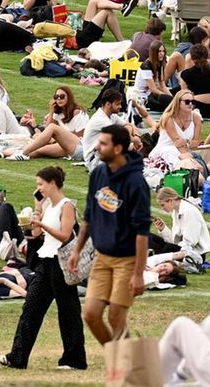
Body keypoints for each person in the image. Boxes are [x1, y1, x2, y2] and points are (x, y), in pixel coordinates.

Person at [0, 166, 87, 371]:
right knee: (30, 309)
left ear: (53, 182)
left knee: (68, 311)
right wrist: (36, 211)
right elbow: (35, 233)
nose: (39, 188)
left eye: (41, 184)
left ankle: (74, 359)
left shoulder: (66, 205)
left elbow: (65, 235)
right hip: (44, 261)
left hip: (60, 263)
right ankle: (17, 357)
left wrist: (43, 225)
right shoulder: (47, 205)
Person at [69, 124, 150, 346]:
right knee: (91, 315)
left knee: (115, 316)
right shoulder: (98, 173)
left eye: (103, 143)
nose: (97, 147)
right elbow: (88, 217)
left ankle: (127, 367)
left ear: (118, 148)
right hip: (102, 257)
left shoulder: (136, 182)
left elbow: (142, 233)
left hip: (127, 260)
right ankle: (121, 358)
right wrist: (76, 250)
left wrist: (138, 273)